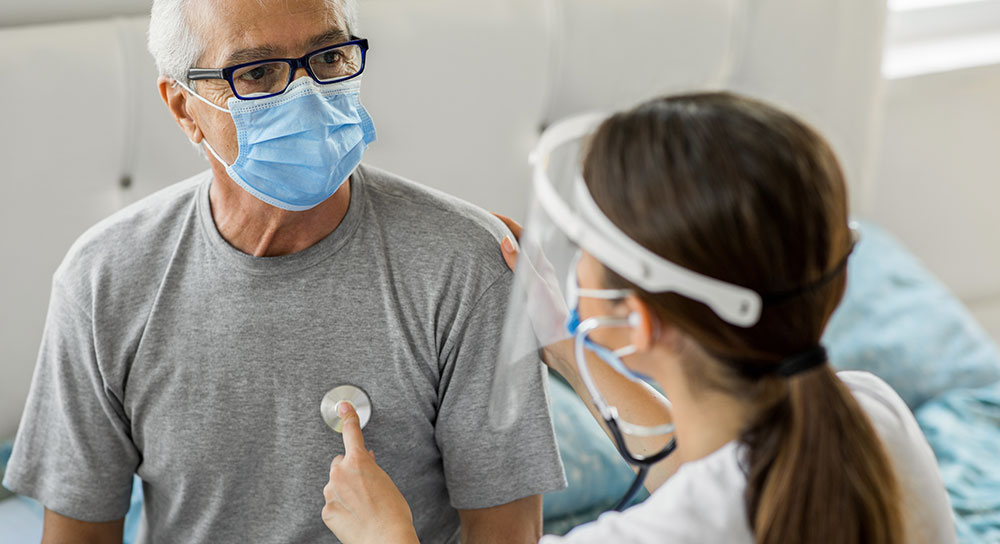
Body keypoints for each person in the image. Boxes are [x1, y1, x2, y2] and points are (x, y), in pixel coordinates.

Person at [1, 0, 566, 542]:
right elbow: (79, 536)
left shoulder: (467, 266)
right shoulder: (104, 280)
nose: (307, 96)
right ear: (184, 108)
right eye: (259, 71)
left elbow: (507, 536)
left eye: (328, 58)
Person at [320, 92, 957, 543]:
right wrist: (569, 347)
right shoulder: (872, 417)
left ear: (641, 324)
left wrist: (388, 536)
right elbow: (713, 477)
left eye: (591, 248)